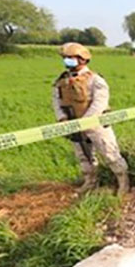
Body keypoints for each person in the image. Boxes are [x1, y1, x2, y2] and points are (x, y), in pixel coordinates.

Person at [52, 42, 129, 196]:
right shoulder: (62, 81)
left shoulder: (95, 80)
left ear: (82, 59)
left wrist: (86, 122)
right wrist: (62, 119)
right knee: (84, 157)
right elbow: (56, 101)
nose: (67, 61)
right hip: (73, 125)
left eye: (70, 58)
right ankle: (90, 182)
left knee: (110, 153)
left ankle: (123, 183)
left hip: (96, 125)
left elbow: (100, 102)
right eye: (65, 58)